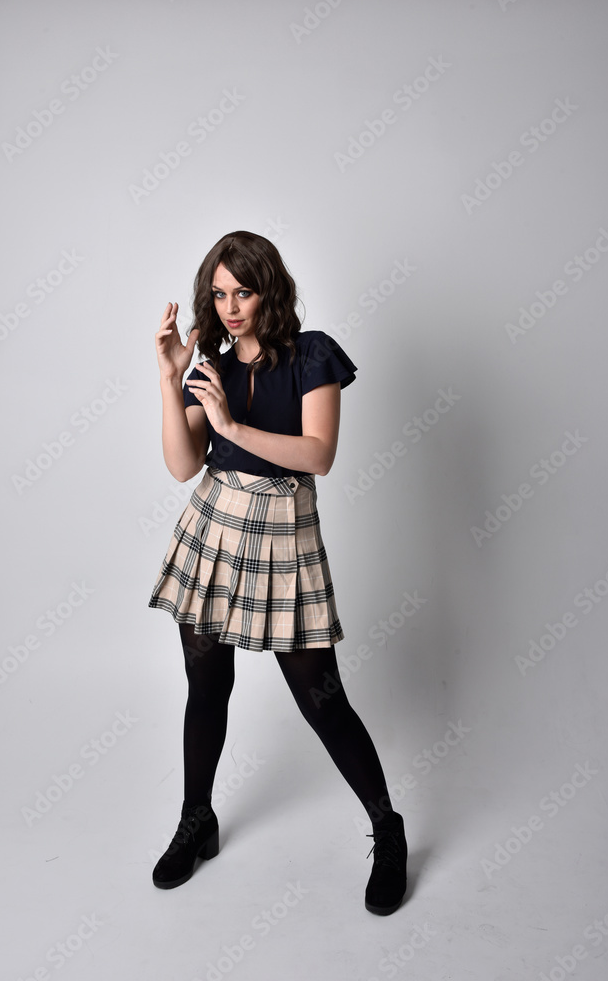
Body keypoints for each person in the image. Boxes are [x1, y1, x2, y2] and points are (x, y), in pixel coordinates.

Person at [147, 230, 407, 915]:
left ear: (269, 289)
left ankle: (387, 829)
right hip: (214, 528)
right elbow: (182, 465)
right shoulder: (212, 369)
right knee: (206, 685)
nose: (230, 307)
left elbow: (318, 454)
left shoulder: (311, 355)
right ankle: (196, 819)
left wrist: (231, 426)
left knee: (322, 699)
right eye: (218, 294)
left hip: (284, 534)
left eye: (243, 291)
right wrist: (171, 379)